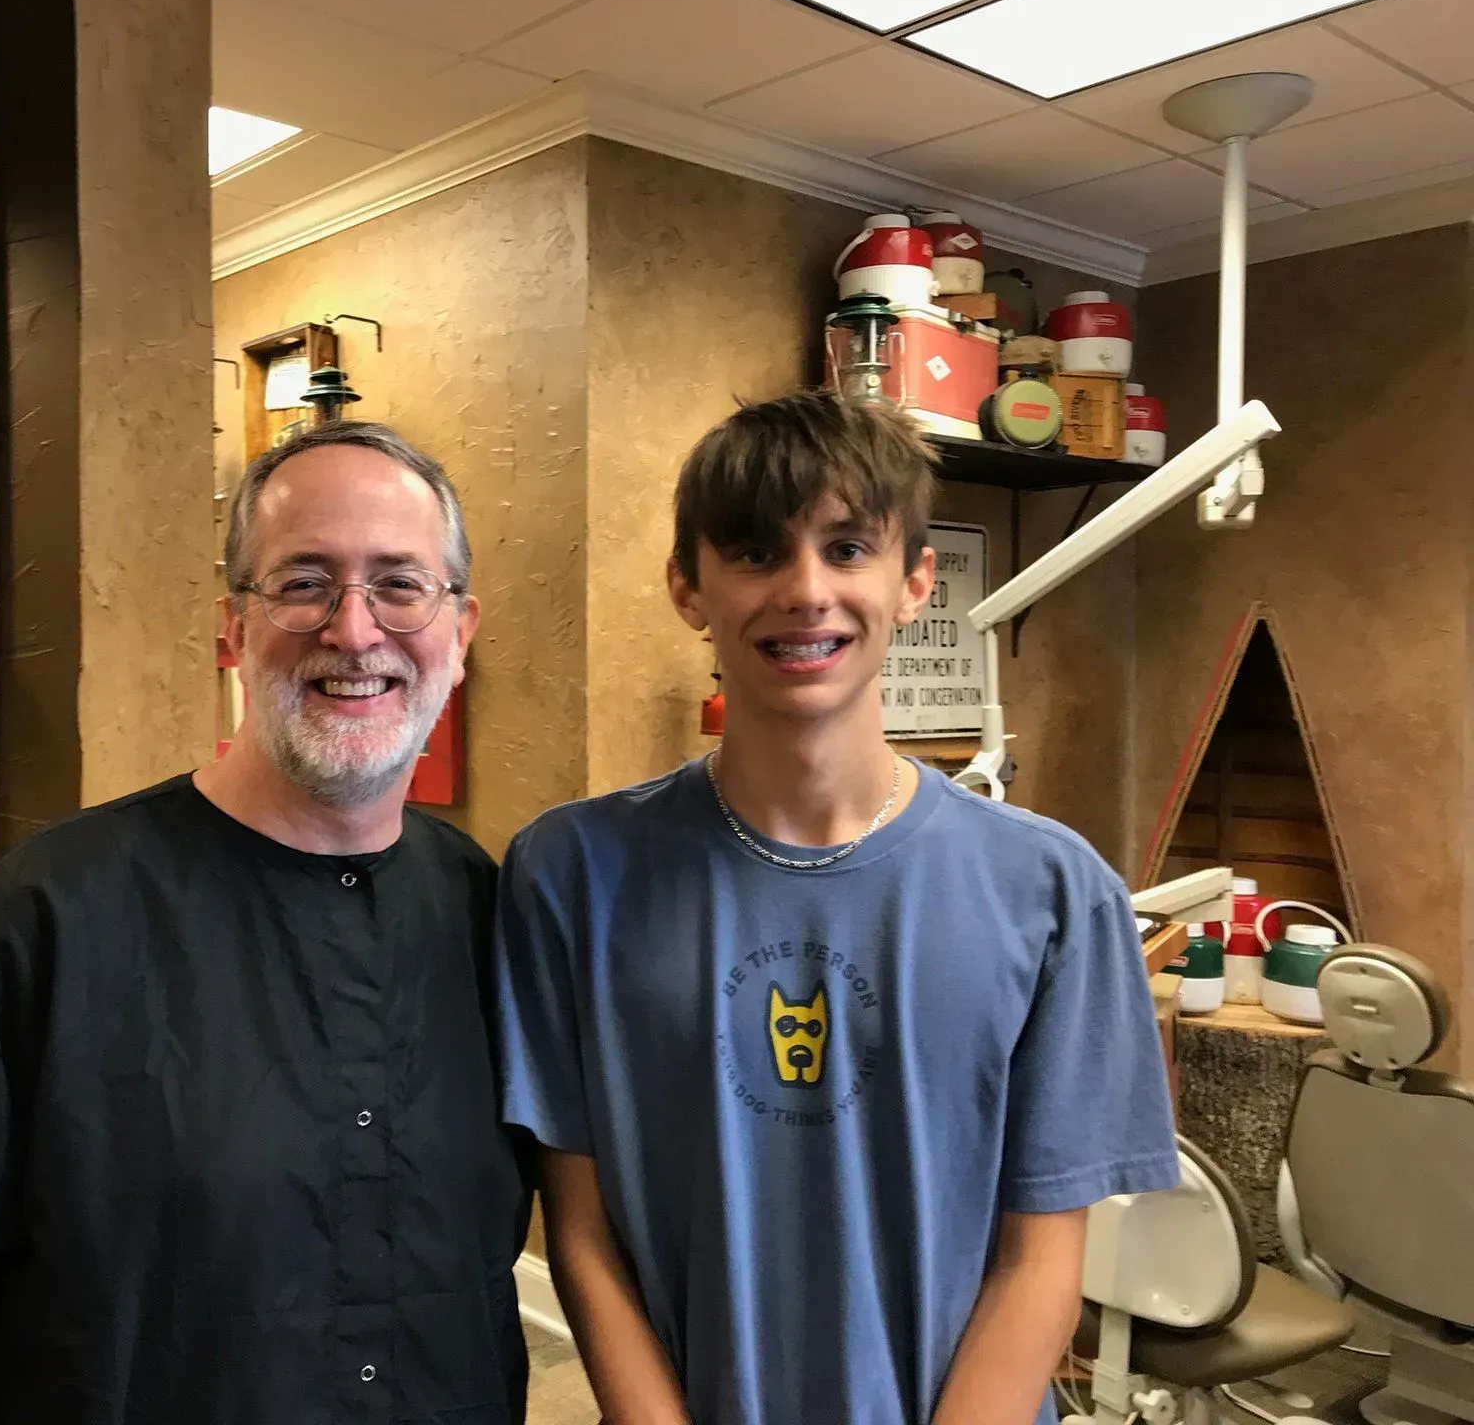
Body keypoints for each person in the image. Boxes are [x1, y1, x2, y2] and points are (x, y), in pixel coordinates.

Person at [0, 420, 530, 1425]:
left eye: (400, 584)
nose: (354, 630)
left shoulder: (491, 912)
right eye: (303, 581)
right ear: (232, 626)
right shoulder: (49, 917)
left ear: (460, 629)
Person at [493, 390, 1178, 1425]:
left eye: (848, 548)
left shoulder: (1051, 893)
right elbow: (582, 1235)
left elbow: (1041, 1253)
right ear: (689, 588)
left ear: (915, 582)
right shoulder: (570, 876)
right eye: (759, 553)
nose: (806, 591)